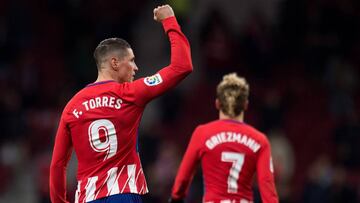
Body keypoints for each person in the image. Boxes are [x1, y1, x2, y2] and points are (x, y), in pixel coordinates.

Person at [49, 5, 192, 203]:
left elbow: (57, 164)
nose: (136, 67)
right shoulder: (131, 94)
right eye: (131, 61)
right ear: (115, 63)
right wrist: (169, 21)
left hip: (87, 198)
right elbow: (182, 66)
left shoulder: (72, 107)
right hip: (123, 193)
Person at [169, 73, 278, 203]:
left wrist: (176, 198)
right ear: (246, 105)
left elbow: (182, 179)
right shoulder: (260, 140)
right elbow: (268, 191)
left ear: (217, 103)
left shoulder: (202, 133)